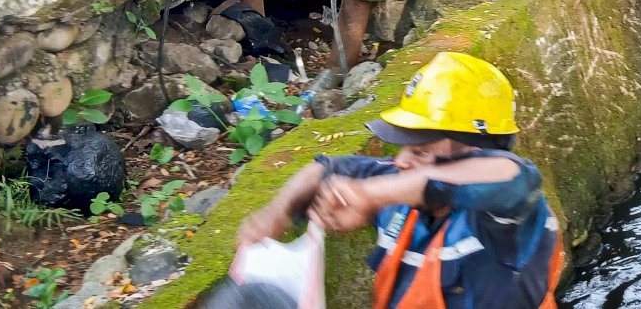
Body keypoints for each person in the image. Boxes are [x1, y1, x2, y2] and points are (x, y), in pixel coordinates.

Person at [237, 52, 563, 309]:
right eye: (403, 147)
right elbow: (324, 169)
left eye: (421, 152)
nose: (402, 161)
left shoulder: (512, 219)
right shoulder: (399, 185)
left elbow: (513, 174)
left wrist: (370, 194)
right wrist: (278, 212)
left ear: (476, 151)